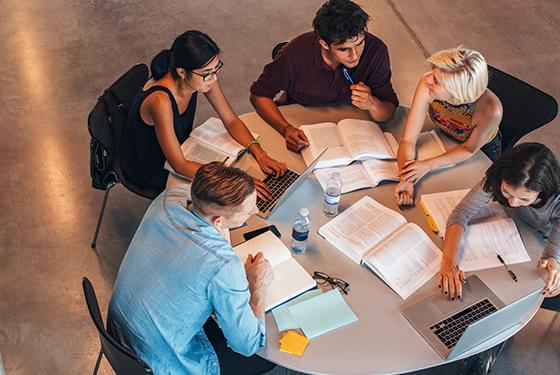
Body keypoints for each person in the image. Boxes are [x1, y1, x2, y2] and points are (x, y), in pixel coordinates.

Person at [107, 162, 275, 374]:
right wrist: (257, 287)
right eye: (249, 211)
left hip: (117, 336)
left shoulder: (169, 198)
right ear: (218, 221)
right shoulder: (223, 265)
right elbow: (248, 345)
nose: (256, 210)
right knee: (268, 358)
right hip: (159, 363)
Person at [121, 30, 286, 198]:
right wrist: (237, 180)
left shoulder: (203, 76)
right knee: (223, 195)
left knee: (239, 168)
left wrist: (260, 153)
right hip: (151, 166)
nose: (213, 78)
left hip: (181, 149)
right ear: (182, 72)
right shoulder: (160, 101)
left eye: (216, 69)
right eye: (207, 73)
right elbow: (179, 164)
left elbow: (230, 120)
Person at [250, 0, 398, 152]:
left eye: (360, 43)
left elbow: (388, 112)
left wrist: (373, 104)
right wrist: (285, 128)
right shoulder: (293, 55)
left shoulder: (376, 51)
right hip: (299, 123)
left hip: (352, 129)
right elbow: (259, 96)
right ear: (324, 43)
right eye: (344, 49)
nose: (354, 55)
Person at [438, 143, 560, 305]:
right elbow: (461, 213)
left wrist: (552, 264)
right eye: (507, 192)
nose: (514, 202)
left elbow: (551, 255)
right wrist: (448, 263)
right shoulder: (498, 177)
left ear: (543, 190)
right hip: (522, 231)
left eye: (524, 199)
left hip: (546, 239)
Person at [395, 47, 503, 206]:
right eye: (433, 73)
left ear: (458, 92)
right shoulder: (428, 83)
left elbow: (468, 149)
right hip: (444, 136)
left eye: (437, 81)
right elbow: (408, 140)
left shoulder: (491, 110)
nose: (429, 80)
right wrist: (407, 178)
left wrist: (427, 165)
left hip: (480, 151)